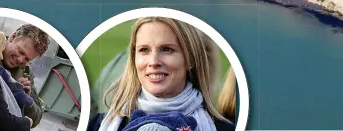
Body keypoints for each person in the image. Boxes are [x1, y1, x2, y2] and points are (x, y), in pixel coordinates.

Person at [87, 17, 235, 131]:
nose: (153, 61)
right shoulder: (97, 125)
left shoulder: (224, 128)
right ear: (133, 59)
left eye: (166, 49)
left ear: (190, 59)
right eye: (144, 50)